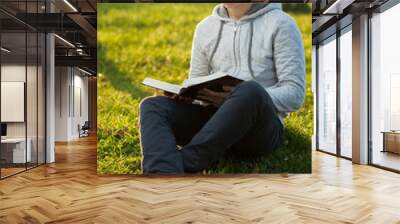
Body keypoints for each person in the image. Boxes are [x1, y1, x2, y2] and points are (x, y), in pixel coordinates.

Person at [139, 3, 305, 174]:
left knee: (250, 90)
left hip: (257, 132)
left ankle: (186, 163)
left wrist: (237, 99)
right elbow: (196, 81)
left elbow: (295, 93)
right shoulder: (205, 27)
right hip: (213, 122)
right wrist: (187, 96)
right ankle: (161, 174)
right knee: (152, 106)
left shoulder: (281, 24)